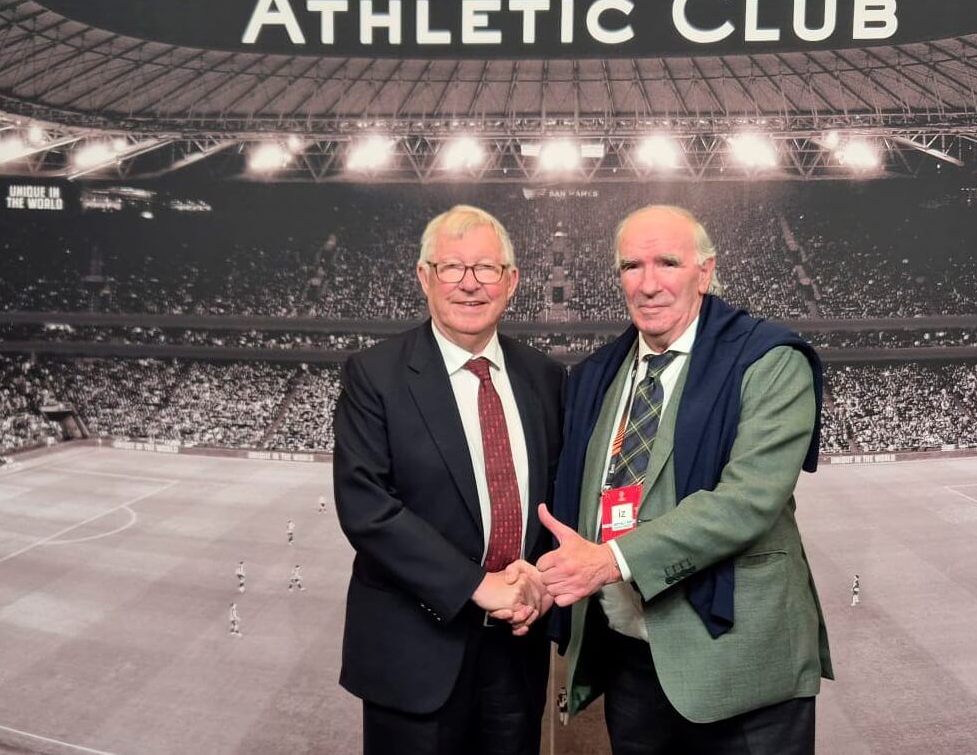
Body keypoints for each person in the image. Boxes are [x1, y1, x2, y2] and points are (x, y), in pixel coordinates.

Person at [539, 205, 832, 755]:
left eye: (667, 262)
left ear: (705, 270)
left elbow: (747, 502)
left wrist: (610, 560)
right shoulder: (595, 375)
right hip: (630, 660)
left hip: (741, 666)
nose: (648, 284)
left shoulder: (771, 360)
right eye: (632, 266)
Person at [333, 204, 565, 755]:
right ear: (424, 277)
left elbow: (560, 499)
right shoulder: (375, 374)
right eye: (451, 268)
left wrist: (543, 582)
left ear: (510, 282)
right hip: (415, 657)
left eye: (485, 268)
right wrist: (477, 586)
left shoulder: (546, 378)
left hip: (518, 648)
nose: (469, 284)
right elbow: (368, 508)